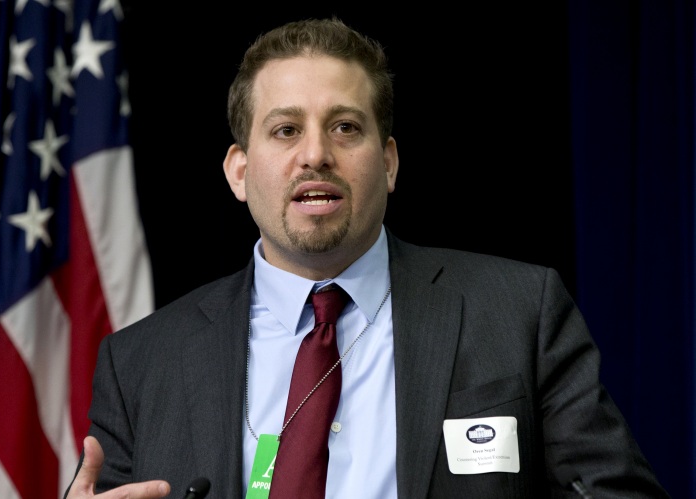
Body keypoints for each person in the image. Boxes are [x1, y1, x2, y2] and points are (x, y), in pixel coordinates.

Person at [65, 17, 670, 499]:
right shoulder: (140, 361)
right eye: (284, 130)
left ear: (389, 163)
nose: (316, 155)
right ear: (240, 172)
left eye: (346, 127)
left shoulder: (518, 313)